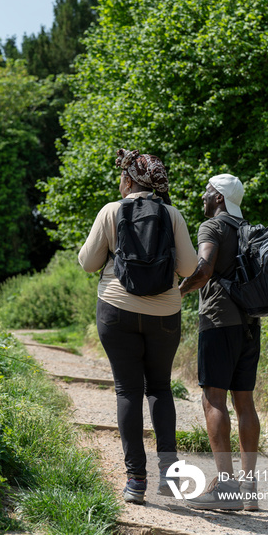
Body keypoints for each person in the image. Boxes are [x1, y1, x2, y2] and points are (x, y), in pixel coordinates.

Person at [78, 149, 197, 504]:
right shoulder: (172, 214)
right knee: (160, 387)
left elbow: (87, 262)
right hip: (165, 313)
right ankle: (170, 475)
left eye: (121, 176)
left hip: (117, 308)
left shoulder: (111, 211)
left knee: (127, 391)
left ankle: (135, 481)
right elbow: (189, 268)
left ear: (129, 180)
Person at [179, 174, 260, 511]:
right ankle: (248, 486)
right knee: (245, 402)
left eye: (207, 190)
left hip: (217, 321)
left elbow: (204, 268)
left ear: (218, 198)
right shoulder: (252, 231)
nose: (203, 195)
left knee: (213, 399)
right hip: (251, 324)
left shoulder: (212, 227)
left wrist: (178, 291)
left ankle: (225, 489)